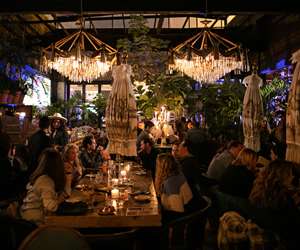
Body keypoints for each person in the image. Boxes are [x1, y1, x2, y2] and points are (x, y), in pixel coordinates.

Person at [20, 148, 68, 224]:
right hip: (34, 222)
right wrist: (60, 199)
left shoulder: (41, 177)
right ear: (57, 164)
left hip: (28, 216)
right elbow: (50, 206)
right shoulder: (45, 180)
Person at [155, 153, 193, 222]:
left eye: (157, 165)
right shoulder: (178, 173)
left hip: (179, 217)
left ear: (162, 167)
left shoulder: (170, 183)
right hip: (188, 209)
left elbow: (178, 211)